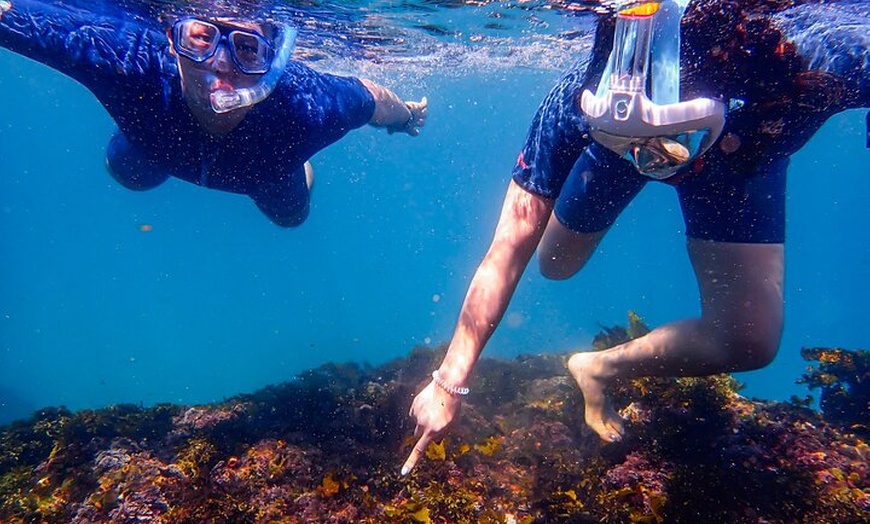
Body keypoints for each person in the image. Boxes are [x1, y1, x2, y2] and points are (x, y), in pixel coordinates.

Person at [402, 0, 869, 475]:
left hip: (739, 160)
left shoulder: (813, 64)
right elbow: (508, 245)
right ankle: (644, 145)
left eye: (664, 149)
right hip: (618, 158)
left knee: (751, 341)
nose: (649, 162)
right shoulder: (574, 102)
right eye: (627, 141)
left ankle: (598, 367)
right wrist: (449, 380)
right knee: (554, 263)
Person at [0, 0, 428, 227]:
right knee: (127, 173)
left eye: (247, 48)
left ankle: (301, 170)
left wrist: (405, 117)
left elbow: (371, 98)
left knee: (291, 217)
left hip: (266, 171)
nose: (221, 64)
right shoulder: (130, 63)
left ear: (273, 60)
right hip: (150, 144)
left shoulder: (304, 110)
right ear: (172, 41)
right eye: (202, 39)